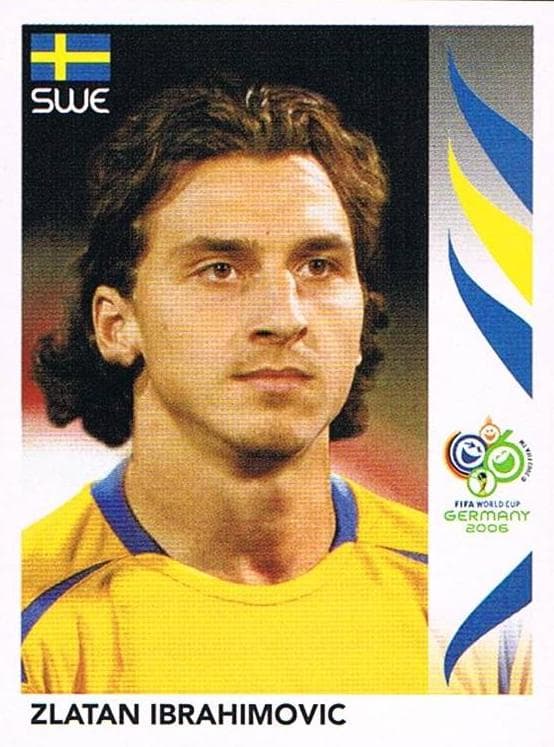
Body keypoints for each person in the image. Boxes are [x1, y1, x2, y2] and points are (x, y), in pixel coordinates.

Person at [22, 80, 428, 694]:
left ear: (363, 315)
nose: (284, 317)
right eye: (220, 270)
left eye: (318, 266)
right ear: (116, 325)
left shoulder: (487, 615)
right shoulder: (28, 625)